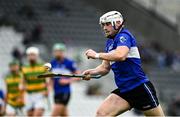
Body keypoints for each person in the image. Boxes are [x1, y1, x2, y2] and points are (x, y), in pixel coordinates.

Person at [83, 11, 165, 116]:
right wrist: (92, 72)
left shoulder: (124, 36)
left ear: (117, 23)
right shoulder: (109, 43)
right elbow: (105, 68)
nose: (104, 28)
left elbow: (120, 55)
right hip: (124, 90)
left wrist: (96, 55)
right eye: (103, 25)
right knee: (102, 114)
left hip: (139, 88)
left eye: (107, 24)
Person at [50, 43, 80, 116]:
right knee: (64, 114)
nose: (57, 53)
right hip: (56, 91)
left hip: (65, 92)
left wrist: (67, 81)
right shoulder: (52, 63)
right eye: (55, 51)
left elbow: (79, 76)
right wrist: (49, 87)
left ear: (63, 52)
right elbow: (51, 78)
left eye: (59, 51)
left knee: (54, 114)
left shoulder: (69, 63)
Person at [21, 47, 48, 116]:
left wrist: (47, 90)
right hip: (29, 95)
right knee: (30, 115)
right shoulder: (24, 68)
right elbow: (23, 82)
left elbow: (48, 80)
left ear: (37, 56)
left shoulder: (43, 66)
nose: (31, 57)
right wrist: (22, 94)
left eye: (33, 55)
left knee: (37, 114)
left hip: (40, 95)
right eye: (30, 55)